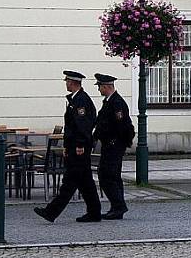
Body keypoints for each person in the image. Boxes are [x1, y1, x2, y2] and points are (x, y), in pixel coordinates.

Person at [34, 71, 101, 223]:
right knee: (86, 183)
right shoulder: (75, 99)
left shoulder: (81, 101)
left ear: (73, 82)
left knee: (69, 182)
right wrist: (67, 145)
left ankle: (51, 212)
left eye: (67, 81)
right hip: (74, 146)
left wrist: (79, 145)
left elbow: (83, 125)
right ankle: (94, 212)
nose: (66, 84)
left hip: (79, 148)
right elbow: (71, 126)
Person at [93, 73, 134, 220]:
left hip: (114, 145)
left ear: (106, 86)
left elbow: (121, 126)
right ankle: (117, 207)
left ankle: (119, 206)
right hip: (109, 144)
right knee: (112, 176)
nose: (99, 90)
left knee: (107, 175)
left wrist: (115, 142)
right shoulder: (109, 101)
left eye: (100, 87)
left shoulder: (117, 103)